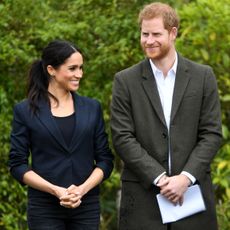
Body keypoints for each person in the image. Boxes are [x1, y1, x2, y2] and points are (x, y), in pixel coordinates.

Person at [110, 2, 222, 230]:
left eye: (156, 34)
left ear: (173, 33)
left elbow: (211, 134)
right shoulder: (125, 80)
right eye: (144, 34)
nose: (148, 40)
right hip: (143, 200)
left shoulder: (203, 76)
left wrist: (185, 178)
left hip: (192, 197)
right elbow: (122, 137)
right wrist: (160, 179)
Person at [9, 40, 113, 230]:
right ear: (51, 70)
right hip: (44, 208)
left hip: (86, 206)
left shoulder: (92, 108)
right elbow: (17, 164)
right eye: (72, 68)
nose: (79, 74)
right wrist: (56, 191)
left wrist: (82, 190)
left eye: (81, 68)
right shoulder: (24, 111)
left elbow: (105, 160)